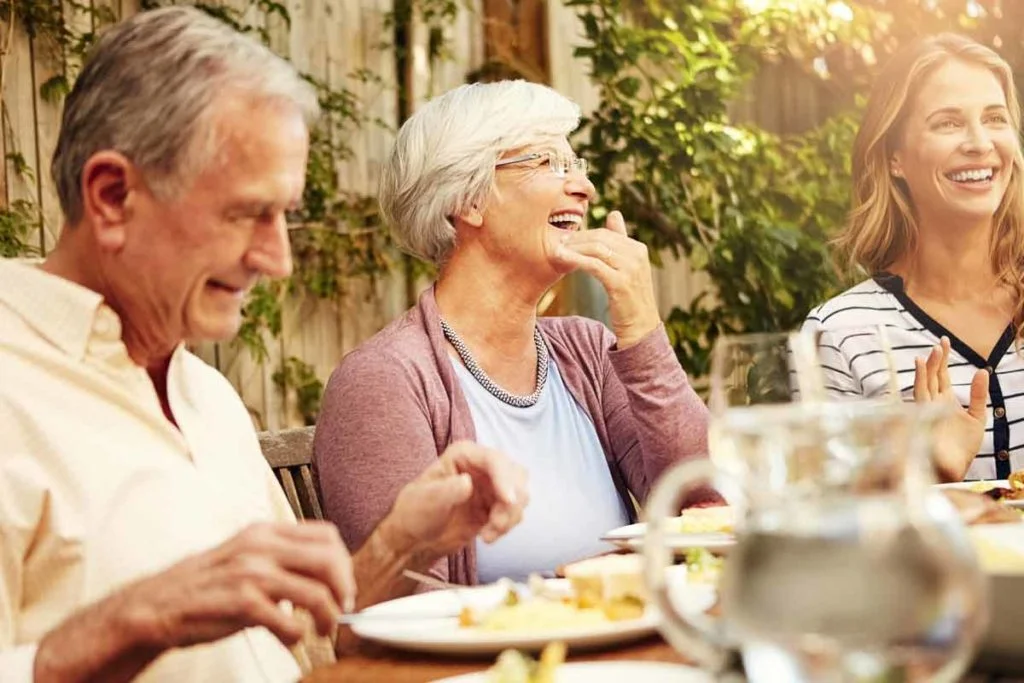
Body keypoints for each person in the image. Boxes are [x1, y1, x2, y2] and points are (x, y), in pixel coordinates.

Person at [0, 8, 527, 682]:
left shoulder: (206, 396)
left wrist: (401, 539)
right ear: (110, 196)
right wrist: (130, 621)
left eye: (285, 215)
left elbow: (301, 643)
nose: (277, 259)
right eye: (247, 213)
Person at [314, 80, 710, 586]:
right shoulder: (384, 382)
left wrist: (642, 329)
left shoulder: (586, 350)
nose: (584, 188)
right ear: (469, 201)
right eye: (549, 163)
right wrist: (570, 596)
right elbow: (401, 606)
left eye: (578, 167)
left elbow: (704, 506)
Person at [803, 33, 1024, 482]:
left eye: (995, 118)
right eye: (948, 123)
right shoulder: (841, 336)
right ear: (894, 159)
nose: (980, 143)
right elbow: (831, 532)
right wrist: (928, 477)